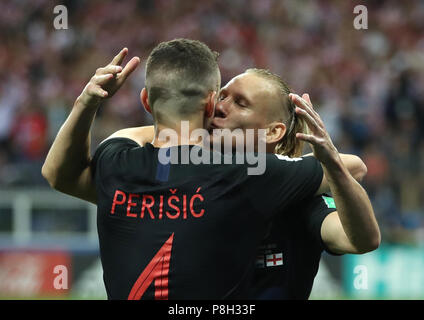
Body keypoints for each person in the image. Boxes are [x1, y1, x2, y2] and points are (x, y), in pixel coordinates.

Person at [42, 39, 377, 299]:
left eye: (239, 103)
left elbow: (361, 233)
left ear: (274, 131)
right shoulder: (188, 174)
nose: (220, 108)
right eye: (221, 97)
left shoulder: (296, 195)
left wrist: (328, 158)